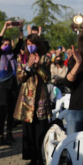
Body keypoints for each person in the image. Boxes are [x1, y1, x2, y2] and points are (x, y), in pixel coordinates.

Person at [13, 34, 51, 165]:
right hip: (26, 99)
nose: (30, 46)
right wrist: (28, 66)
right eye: (28, 44)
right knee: (28, 130)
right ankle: (32, 158)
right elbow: (19, 77)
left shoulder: (45, 58)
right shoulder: (21, 58)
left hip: (41, 98)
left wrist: (38, 65)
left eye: (33, 43)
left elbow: (47, 77)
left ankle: (42, 158)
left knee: (41, 129)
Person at [0, 21, 23, 145]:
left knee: (11, 110)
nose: (7, 46)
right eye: (4, 44)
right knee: (2, 111)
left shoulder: (12, 54)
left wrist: (21, 29)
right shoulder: (1, 54)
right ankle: (0, 135)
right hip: (2, 84)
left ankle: (9, 133)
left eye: (8, 44)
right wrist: (5, 27)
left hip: (13, 83)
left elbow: (20, 43)